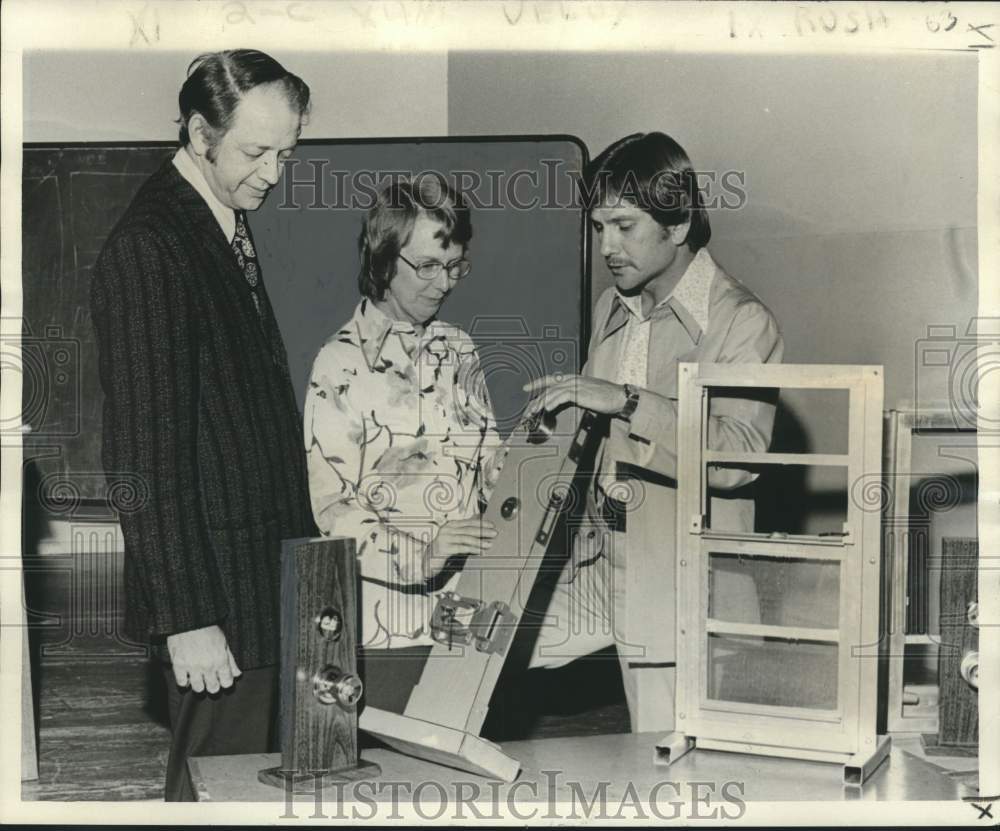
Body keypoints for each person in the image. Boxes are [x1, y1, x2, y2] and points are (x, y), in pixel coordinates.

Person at [90, 50, 315, 800]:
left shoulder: (220, 222)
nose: (273, 174)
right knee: (217, 796)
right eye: (256, 152)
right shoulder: (152, 245)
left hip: (264, 586)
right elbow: (143, 458)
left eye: (286, 153)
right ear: (197, 131)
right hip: (218, 601)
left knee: (255, 794)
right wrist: (187, 617)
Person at [523, 131, 784, 731]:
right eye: (598, 227)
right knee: (478, 646)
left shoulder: (740, 320)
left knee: (667, 767)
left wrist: (627, 401)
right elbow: (592, 440)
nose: (607, 246)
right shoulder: (611, 307)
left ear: (680, 222)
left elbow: (737, 460)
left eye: (624, 225)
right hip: (598, 559)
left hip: (681, 580)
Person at [304, 174, 502, 711]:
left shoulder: (458, 349)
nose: (445, 283)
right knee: (391, 784)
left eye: (455, 265)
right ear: (384, 259)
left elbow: (490, 466)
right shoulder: (339, 364)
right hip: (384, 628)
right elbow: (331, 507)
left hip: (467, 619)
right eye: (429, 266)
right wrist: (424, 554)